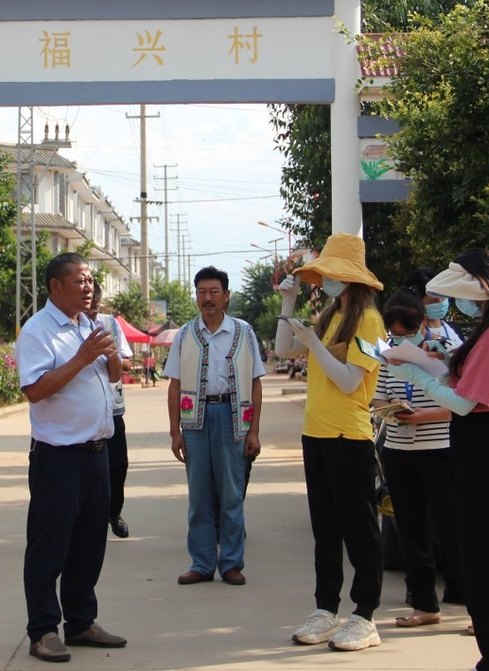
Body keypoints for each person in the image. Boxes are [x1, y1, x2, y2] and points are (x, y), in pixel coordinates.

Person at [387, 249, 489, 671]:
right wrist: (429, 362)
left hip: (485, 442)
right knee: (486, 561)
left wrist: (414, 373)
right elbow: (463, 382)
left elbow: (466, 402)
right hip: (482, 442)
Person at [274, 233, 385, 652]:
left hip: (349, 436)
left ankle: (365, 615)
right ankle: (326, 609)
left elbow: (349, 381)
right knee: (325, 529)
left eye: (332, 275)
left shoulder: (370, 322)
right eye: (322, 276)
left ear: (350, 278)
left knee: (359, 529)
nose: (324, 282)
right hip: (316, 433)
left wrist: (315, 344)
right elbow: (284, 350)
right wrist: (289, 304)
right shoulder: (330, 317)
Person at [15, 252, 127, 663]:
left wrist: (109, 353)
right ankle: (43, 629)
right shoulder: (38, 331)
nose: (88, 287)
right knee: (49, 546)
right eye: (79, 280)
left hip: (98, 452)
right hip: (58, 457)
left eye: (91, 280)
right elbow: (35, 390)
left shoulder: (91, 324)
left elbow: (113, 376)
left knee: (89, 544)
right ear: (54, 286)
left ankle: (81, 622)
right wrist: (82, 357)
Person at [164, 266, 264, 587]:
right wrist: (174, 430)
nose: (207, 298)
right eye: (201, 292)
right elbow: (174, 385)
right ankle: (202, 563)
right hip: (195, 421)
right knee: (199, 497)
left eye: (213, 292)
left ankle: (231, 563)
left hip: (232, 418)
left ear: (226, 296)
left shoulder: (244, 332)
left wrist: (255, 431)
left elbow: (255, 383)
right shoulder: (184, 334)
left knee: (231, 494)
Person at [374, 291, 465, 629]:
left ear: (422, 323)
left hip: (439, 448)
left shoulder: (444, 352)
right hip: (399, 449)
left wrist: (424, 415)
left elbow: (461, 403)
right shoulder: (389, 356)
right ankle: (424, 602)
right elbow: (379, 397)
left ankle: (469, 598)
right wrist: (390, 410)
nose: (400, 339)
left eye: (406, 332)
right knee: (410, 529)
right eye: (394, 334)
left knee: (450, 525)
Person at [86, 281, 133, 540]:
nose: (92, 312)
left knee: (118, 465)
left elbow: (126, 362)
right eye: (88, 308)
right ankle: (89, 519)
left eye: (96, 307)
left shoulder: (110, 324)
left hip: (112, 409)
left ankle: (114, 513)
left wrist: (110, 356)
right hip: (83, 411)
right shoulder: (68, 326)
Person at [403, 267, 463, 350]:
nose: (440, 302)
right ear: (417, 304)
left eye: (443, 296)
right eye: (433, 301)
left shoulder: (454, 329)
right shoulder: (410, 336)